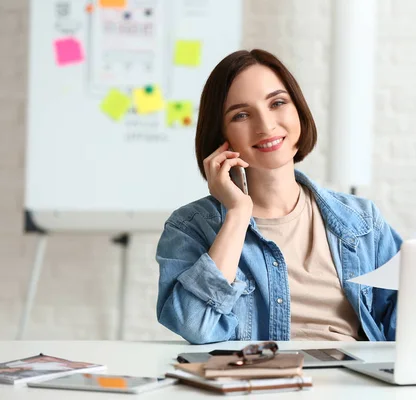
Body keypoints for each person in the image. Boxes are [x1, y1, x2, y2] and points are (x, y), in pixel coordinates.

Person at [156, 49, 402, 344]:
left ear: (297, 108)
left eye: (277, 103)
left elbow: (409, 318)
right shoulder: (191, 227)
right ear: (220, 136)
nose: (266, 125)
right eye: (242, 115)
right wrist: (237, 213)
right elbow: (194, 325)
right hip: (262, 384)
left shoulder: (362, 221)